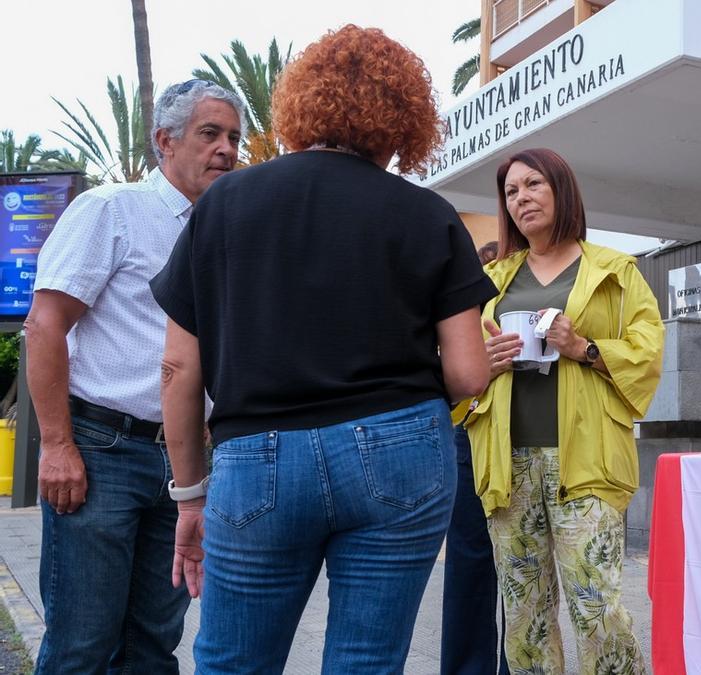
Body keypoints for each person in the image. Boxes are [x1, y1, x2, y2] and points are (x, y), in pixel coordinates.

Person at [150, 25, 495, 672]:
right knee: (367, 661)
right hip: (401, 451)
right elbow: (471, 373)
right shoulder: (428, 214)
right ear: (404, 120)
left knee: (231, 661)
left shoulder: (225, 204)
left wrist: (191, 494)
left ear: (303, 104)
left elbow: (177, 368)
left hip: (258, 457)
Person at [24, 79, 243, 673]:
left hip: (186, 467)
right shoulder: (111, 209)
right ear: (164, 141)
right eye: (209, 134)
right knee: (82, 644)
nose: (226, 148)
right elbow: (44, 326)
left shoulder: (228, 230)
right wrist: (57, 445)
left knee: (153, 645)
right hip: (101, 453)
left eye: (233, 137)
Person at [467, 148, 663, 673]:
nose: (521, 198)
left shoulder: (614, 270)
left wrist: (585, 347)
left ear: (560, 189)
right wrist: (482, 362)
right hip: (507, 463)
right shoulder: (494, 278)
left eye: (533, 185)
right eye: (511, 192)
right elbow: (459, 363)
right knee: (525, 614)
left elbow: (648, 348)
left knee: (596, 606)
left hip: (586, 460)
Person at [441, 241, 509, 675]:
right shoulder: (456, 306)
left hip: (525, 435)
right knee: (470, 559)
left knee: (523, 567)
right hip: (469, 430)